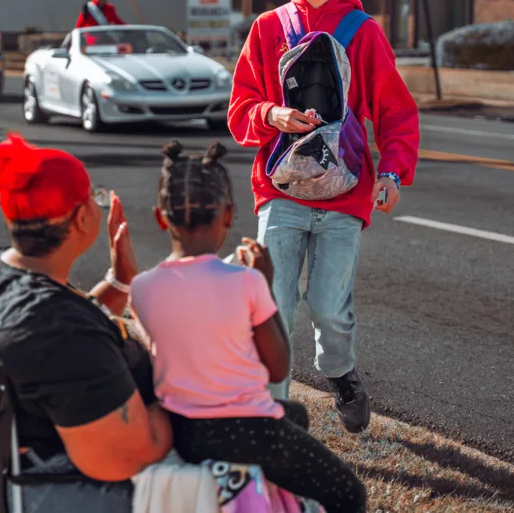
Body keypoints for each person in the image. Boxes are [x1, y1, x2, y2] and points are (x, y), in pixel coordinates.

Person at [228, 0, 420, 434]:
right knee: (275, 305)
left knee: (329, 307)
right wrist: (271, 113)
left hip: (345, 192)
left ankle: (339, 374)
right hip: (281, 190)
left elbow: (396, 113)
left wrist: (394, 173)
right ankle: (276, 417)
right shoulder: (268, 28)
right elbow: (240, 108)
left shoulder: (362, 31)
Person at [0, 133, 172, 509]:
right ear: (80, 218)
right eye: (94, 196)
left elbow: (46, 340)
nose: (98, 205)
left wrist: (120, 280)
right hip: (64, 492)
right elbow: (125, 457)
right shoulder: (62, 333)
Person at [129, 140, 367, 513]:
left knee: (297, 417)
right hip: (247, 430)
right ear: (228, 216)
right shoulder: (246, 281)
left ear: (161, 218)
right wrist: (264, 282)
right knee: (349, 495)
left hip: (186, 431)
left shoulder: (143, 288)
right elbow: (277, 366)